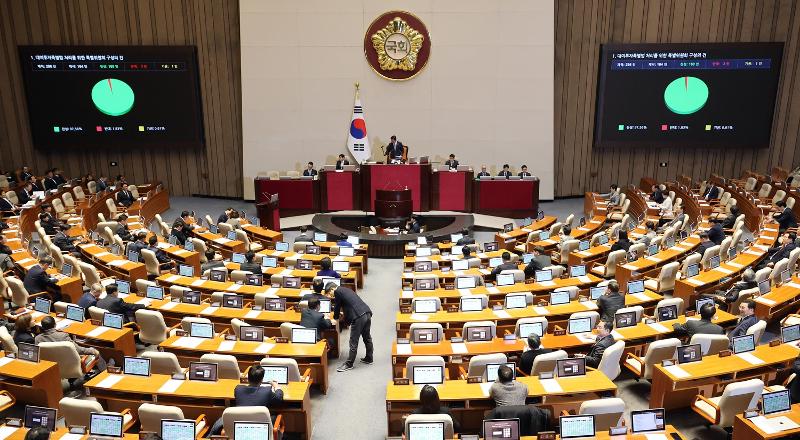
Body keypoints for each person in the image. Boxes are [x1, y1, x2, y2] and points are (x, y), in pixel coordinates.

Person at [208, 365, 283, 435]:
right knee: (275, 414)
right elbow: (279, 399)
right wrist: (276, 387)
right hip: (260, 428)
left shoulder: (238, 389)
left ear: (248, 378)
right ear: (262, 379)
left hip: (239, 427)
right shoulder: (267, 391)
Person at [326, 282, 373, 372]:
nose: (330, 295)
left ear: (332, 289)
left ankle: (349, 364)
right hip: (366, 312)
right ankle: (369, 358)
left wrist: (336, 318)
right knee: (367, 337)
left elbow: (337, 306)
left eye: (329, 293)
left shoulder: (337, 291)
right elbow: (350, 304)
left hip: (358, 317)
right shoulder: (346, 289)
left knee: (353, 341)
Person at [35, 315, 106, 370]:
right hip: (70, 364)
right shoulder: (63, 336)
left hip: (51, 366)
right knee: (94, 350)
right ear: (55, 325)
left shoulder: (37, 339)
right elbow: (79, 350)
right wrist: (93, 351)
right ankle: (105, 370)